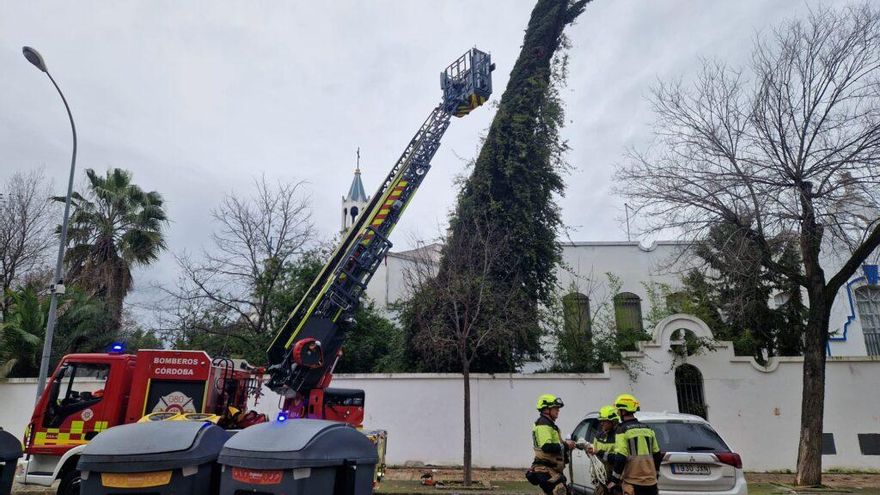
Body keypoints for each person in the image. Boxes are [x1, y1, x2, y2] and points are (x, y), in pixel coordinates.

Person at [608, 394, 661, 495]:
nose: (618, 413)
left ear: (623, 411)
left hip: (633, 483)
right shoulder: (648, 429)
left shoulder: (622, 430)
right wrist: (656, 474)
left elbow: (620, 457)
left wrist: (614, 480)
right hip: (651, 483)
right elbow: (657, 455)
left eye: (618, 410)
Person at [526, 394, 577, 495]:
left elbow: (556, 444)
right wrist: (566, 445)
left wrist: (569, 445)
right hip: (546, 470)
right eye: (555, 408)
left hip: (551, 470)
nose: (558, 410)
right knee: (561, 492)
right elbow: (547, 447)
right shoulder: (543, 424)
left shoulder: (549, 424)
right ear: (546, 409)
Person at [588, 405, 619, 495]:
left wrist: (599, 452)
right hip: (601, 480)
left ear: (613, 421)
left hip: (615, 480)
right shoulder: (598, 436)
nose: (601, 423)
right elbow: (594, 454)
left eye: (604, 421)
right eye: (601, 421)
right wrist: (590, 452)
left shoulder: (619, 436)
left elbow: (618, 458)